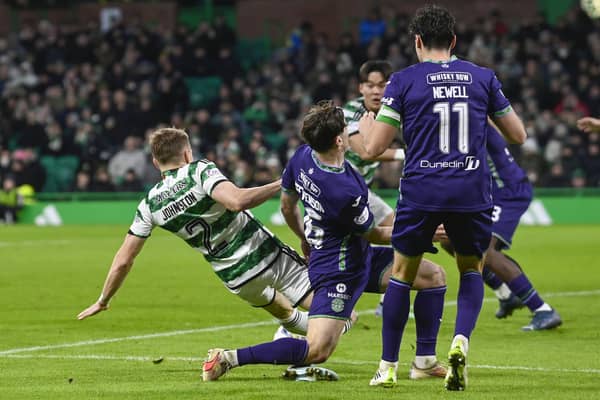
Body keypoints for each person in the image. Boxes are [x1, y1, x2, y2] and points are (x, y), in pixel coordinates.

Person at [202, 101, 448, 382]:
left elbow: (286, 206)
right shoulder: (343, 190)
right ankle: (228, 358)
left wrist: (303, 238)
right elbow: (375, 233)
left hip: (357, 257)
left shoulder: (303, 156)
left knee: (432, 276)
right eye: (346, 128)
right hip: (337, 270)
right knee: (317, 350)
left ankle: (425, 362)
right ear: (339, 140)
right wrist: (422, 233)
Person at [358, 5, 527, 391]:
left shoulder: (402, 82)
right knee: (471, 269)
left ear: (417, 42)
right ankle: (460, 342)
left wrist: (370, 128)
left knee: (402, 274)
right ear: (453, 41)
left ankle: (387, 366)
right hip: (470, 190)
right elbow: (518, 135)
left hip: (421, 191)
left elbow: (373, 149)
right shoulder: (482, 77)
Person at [77, 127, 314, 338]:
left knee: (286, 315)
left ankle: (290, 339)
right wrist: (283, 181)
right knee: (331, 308)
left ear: (155, 162)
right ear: (187, 154)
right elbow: (236, 202)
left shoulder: (149, 205)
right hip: (264, 255)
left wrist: (103, 300)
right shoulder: (198, 171)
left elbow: (123, 261)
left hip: (235, 277)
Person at [439, 124, 562, 331]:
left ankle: (542, 309)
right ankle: (506, 294)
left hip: (507, 192)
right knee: (448, 240)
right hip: (489, 192)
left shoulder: (471, 120)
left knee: (485, 248)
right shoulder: (462, 120)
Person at [342, 60, 406, 316]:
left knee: (399, 229)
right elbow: (366, 153)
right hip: (342, 191)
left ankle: (388, 299)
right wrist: (406, 154)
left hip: (362, 191)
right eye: (370, 85)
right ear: (361, 87)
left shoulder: (394, 110)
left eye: (382, 85)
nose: (376, 91)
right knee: (346, 253)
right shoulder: (349, 114)